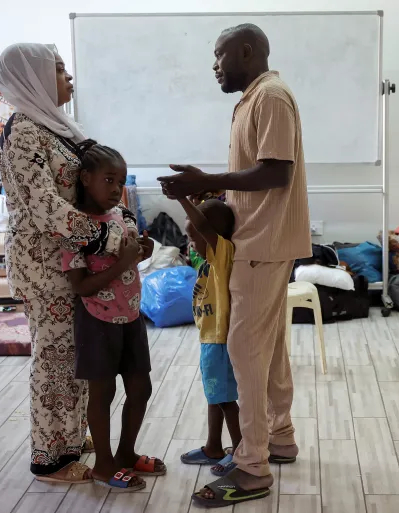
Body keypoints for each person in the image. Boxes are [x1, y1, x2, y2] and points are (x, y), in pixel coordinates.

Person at [158, 23, 311, 508]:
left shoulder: (271, 98)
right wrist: (215, 189)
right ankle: (280, 439)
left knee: (245, 354)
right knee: (268, 350)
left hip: (262, 244)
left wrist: (212, 179)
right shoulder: (254, 98)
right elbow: (258, 175)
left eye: (221, 56)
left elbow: (276, 170)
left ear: (247, 52)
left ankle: (252, 468)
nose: (215, 66)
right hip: (260, 240)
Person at [0, 43, 154, 483]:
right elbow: (45, 208)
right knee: (55, 360)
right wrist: (107, 235)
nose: (69, 78)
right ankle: (50, 459)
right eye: (59, 70)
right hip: (46, 266)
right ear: (33, 78)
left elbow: (99, 186)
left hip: (76, 260)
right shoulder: (23, 130)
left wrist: (120, 223)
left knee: (77, 358)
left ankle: (69, 435)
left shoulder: (59, 127)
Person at [61, 140, 165, 491]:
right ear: (86, 178)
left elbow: (135, 252)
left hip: (131, 317)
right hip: (96, 322)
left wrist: (143, 250)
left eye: (120, 182)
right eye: (109, 180)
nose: (116, 189)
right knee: (102, 394)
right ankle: (104, 465)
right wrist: (123, 262)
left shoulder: (122, 216)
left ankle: (125, 453)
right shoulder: (76, 227)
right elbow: (81, 286)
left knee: (141, 388)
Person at [177, 198, 242, 478]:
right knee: (215, 396)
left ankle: (240, 452)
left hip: (219, 340)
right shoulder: (206, 261)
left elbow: (204, 226)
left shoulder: (221, 253)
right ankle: (213, 446)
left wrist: (182, 198)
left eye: (194, 238)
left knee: (225, 399)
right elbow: (201, 227)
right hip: (209, 339)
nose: (191, 245)